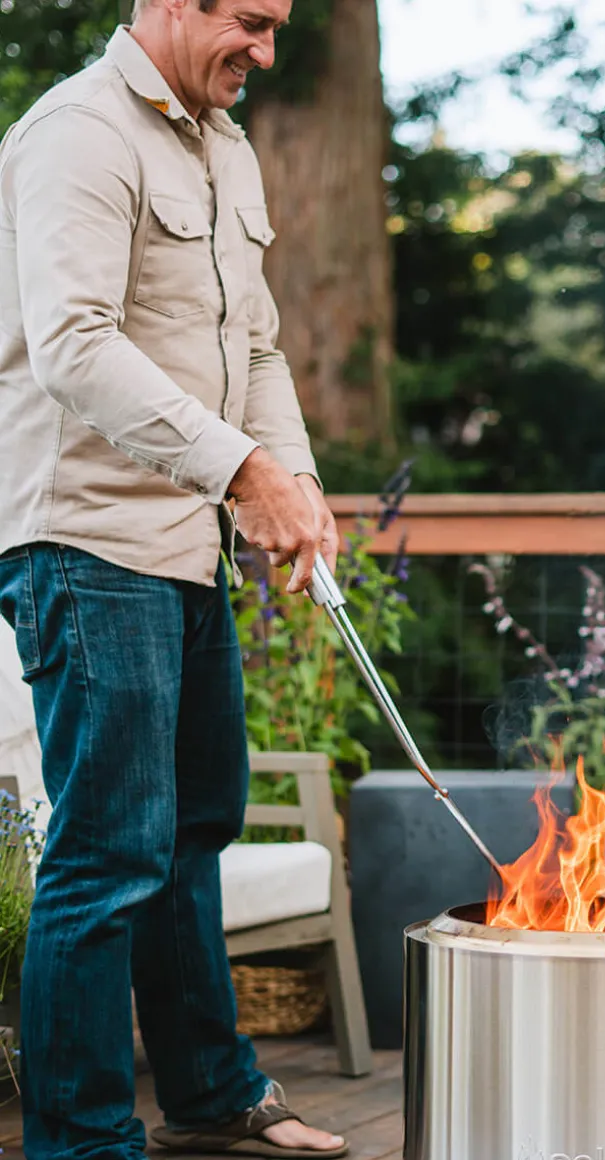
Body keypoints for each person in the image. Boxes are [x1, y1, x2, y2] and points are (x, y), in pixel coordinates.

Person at [0, 1, 352, 1158]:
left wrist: (289, 479)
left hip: (183, 540)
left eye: (276, 25)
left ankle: (210, 1094)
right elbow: (74, 342)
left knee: (193, 824)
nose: (265, 51)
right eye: (248, 21)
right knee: (110, 851)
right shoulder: (76, 133)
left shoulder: (223, 144)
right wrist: (243, 466)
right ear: (167, 2)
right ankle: (82, 1138)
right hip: (83, 542)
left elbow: (252, 345)